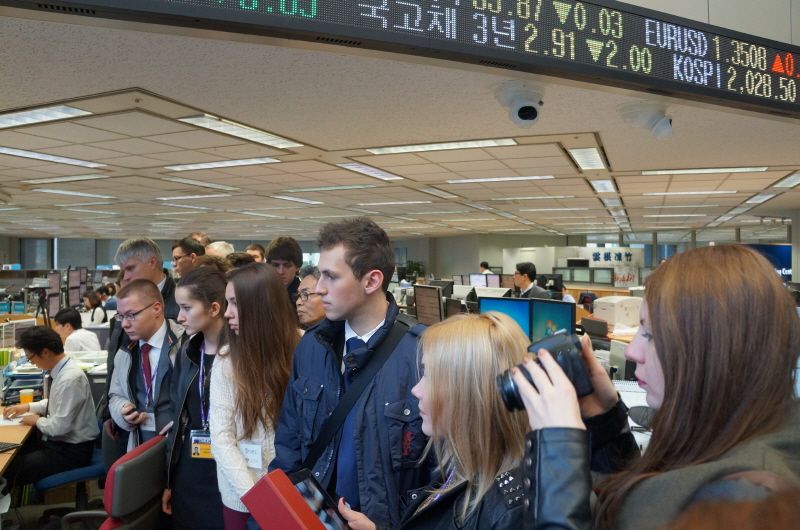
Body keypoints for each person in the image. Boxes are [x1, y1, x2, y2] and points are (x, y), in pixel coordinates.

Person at [513, 245, 800, 530]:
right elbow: (635, 510)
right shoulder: (742, 441)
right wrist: (606, 423)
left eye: (649, 334)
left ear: (714, 351)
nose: (632, 351)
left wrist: (557, 453)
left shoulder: (744, 504)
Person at [271, 218, 430, 529]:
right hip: (314, 518)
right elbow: (289, 442)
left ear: (371, 281)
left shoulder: (422, 354)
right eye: (320, 275)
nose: (319, 288)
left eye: (331, 277)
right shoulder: (312, 347)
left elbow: (443, 476)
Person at [339, 313, 530, 530]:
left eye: (430, 376)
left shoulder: (508, 514)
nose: (416, 390)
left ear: (469, 394)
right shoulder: (465, 464)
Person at [211, 263, 299, 530]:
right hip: (242, 496)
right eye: (227, 303)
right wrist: (259, 498)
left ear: (260, 305)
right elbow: (222, 439)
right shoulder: (227, 360)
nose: (227, 313)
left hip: (295, 492)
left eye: (235, 303)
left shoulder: (303, 348)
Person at [163, 267, 227, 530]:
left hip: (227, 468)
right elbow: (178, 414)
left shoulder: (241, 355)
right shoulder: (187, 352)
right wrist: (169, 481)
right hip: (191, 465)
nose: (179, 317)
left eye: (187, 308)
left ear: (214, 308)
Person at [104, 237, 181, 446]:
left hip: (177, 438)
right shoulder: (125, 352)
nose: (126, 277)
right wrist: (116, 412)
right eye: (121, 317)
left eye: (130, 268)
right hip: (138, 436)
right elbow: (116, 386)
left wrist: (183, 425)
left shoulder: (184, 338)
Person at [2, 327, 99, 488]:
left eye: (31, 358)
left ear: (45, 352)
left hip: (71, 452)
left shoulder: (68, 379)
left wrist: (37, 421)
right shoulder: (63, 369)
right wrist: (27, 406)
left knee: (9, 468)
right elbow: (56, 403)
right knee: (16, 451)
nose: (32, 363)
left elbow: (59, 428)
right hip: (62, 444)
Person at [265, 236, 303, 301]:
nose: (281, 271)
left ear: (297, 266)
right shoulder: (262, 291)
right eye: (275, 265)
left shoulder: (303, 296)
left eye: (287, 266)